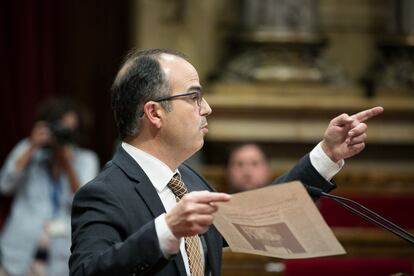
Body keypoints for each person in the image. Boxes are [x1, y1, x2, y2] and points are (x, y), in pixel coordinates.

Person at [69, 48, 383, 276]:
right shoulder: (104, 193)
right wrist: (166, 229)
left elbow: (264, 215)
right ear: (154, 113)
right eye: (193, 96)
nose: (206, 108)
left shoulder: (190, 183)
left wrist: (326, 155)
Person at [0, 97, 99, 276]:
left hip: (59, 256)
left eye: (69, 131)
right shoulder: (29, 149)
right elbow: (5, 185)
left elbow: (85, 203)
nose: (63, 136)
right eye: (59, 129)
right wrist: (32, 146)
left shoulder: (86, 159)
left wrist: (68, 165)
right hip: (17, 252)